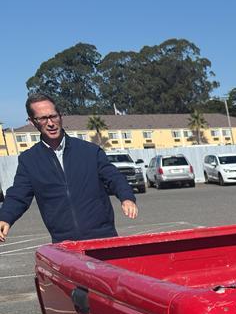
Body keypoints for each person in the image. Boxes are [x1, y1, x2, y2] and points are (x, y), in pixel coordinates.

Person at [0, 93, 138, 243]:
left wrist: (127, 198)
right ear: (33, 122)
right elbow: (18, 195)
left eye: (53, 116)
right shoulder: (29, 160)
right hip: (64, 245)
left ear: (61, 116)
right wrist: (5, 218)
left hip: (103, 238)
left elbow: (114, 177)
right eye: (43, 118)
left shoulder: (90, 151)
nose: (51, 123)